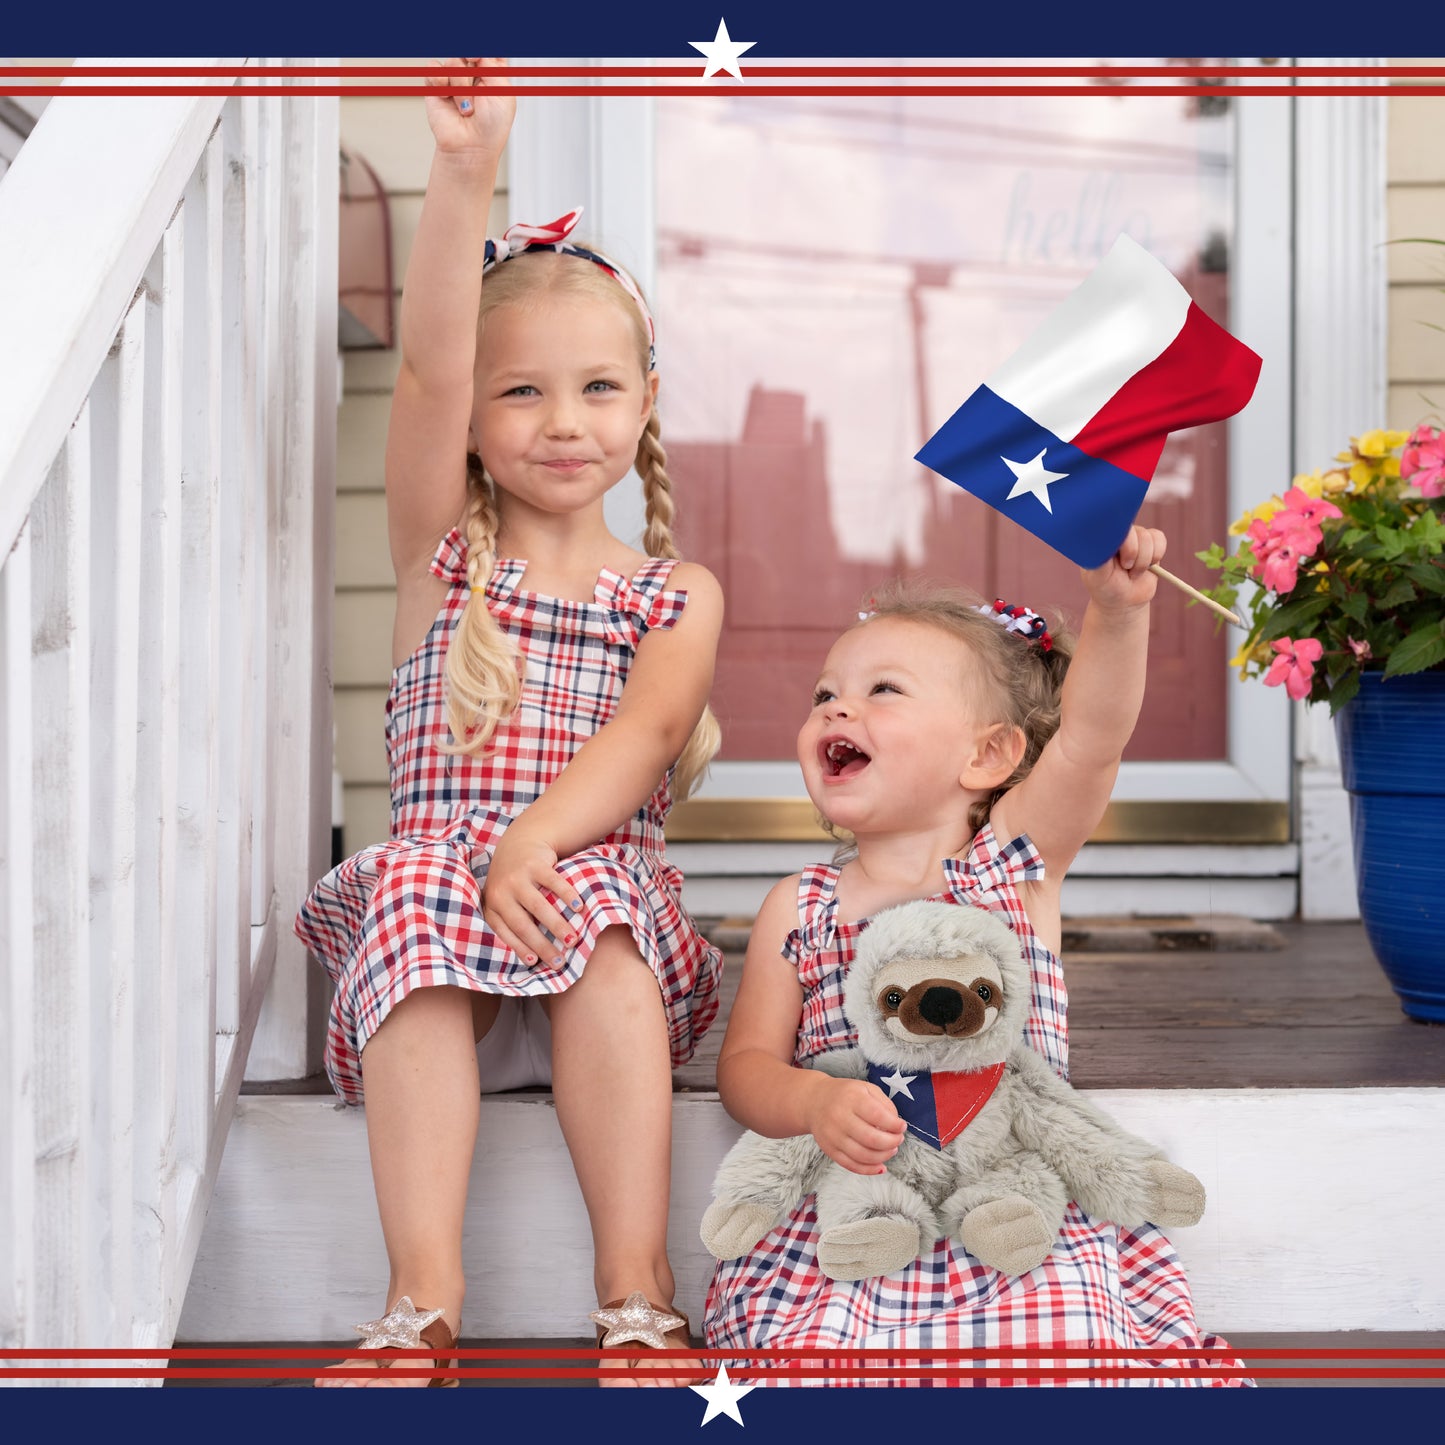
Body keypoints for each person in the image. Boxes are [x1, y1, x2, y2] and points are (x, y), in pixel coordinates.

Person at [296, 58, 724, 1387]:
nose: (562, 422)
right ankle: (423, 1296)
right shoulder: (442, 556)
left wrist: (533, 841)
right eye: (521, 391)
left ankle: (636, 1290)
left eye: (598, 389)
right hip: (449, 887)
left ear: (644, 402)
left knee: (595, 919)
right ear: (475, 424)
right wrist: (465, 172)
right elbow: (424, 365)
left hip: (585, 892)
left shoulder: (672, 592)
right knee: (420, 885)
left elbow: (644, 740)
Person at [703, 527, 1247, 1387]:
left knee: (1059, 1338)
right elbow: (743, 1066)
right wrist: (811, 1099)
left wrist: (1117, 608)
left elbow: (1091, 738)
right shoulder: (800, 902)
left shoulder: (1010, 861)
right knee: (819, 1360)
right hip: (863, 1207)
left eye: (882, 690)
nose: (837, 710)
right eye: (825, 695)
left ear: (986, 753)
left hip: (1011, 1209)